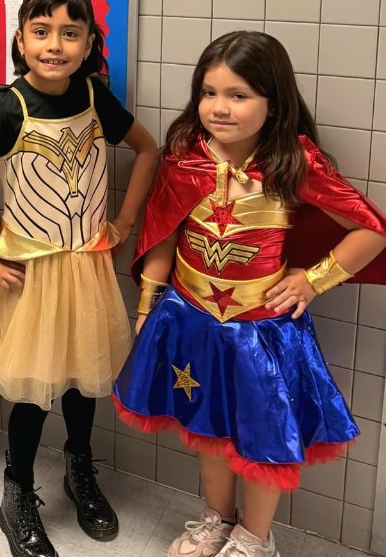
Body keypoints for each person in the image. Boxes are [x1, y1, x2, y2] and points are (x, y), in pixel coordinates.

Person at [113, 31, 386, 557]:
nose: (220, 107)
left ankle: (255, 538)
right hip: (191, 321)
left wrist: (313, 279)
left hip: (262, 334)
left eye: (238, 95)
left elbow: (370, 230)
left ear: (273, 102)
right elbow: (163, 234)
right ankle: (218, 519)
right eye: (209, 92)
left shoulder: (293, 163)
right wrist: (147, 306)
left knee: (264, 437)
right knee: (206, 425)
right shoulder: (184, 158)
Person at [0, 0, 158, 556]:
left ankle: (79, 470)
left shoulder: (94, 95)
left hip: (87, 267)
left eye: (70, 33)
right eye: (41, 31)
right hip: (32, 275)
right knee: (33, 394)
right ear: (21, 39)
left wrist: (124, 222)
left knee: (84, 377)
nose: (55, 44)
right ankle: (17, 492)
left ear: (89, 44)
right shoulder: (7, 106)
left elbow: (147, 150)